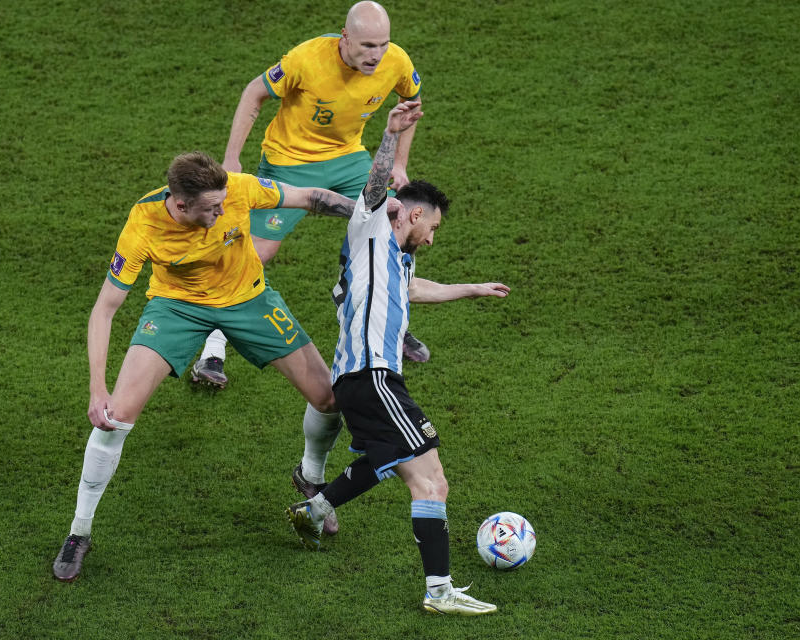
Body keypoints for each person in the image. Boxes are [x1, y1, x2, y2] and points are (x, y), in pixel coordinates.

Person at [52, 151, 361, 582]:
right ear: (179, 205)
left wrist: (371, 210)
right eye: (211, 208)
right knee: (114, 417)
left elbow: (310, 197)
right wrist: (96, 389)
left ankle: (310, 477)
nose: (222, 211)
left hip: (249, 300)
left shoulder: (237, 188)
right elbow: (104, 308)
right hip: (178, 309)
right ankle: (79, 532)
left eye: (222, 203)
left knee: (330, 398)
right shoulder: (143, 225)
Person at [286, 102, 510, 615]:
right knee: (431, 480)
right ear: (411, 213)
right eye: (430, 227)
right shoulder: (370, 228)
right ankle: (438, 591)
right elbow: (373, 186)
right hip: (372, 379)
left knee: (387, 460)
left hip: (366, 381)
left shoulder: (394, 259)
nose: (431, 238)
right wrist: (389, 134)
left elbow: (413, 289)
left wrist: (470, 289)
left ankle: (314, 509)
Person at [192, 0, 430, 397]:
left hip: (348, 159)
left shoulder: (397, 62)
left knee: (396, 220)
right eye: (368, 45)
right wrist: (232, 158)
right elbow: (255, 92)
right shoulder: (306, 59)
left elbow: (413, 105)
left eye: (383, 45)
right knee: (256, 252)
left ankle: (391, 322)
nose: (377, 55)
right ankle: (212, 349)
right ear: (345, 36)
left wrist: (400, 163)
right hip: (288, 162)